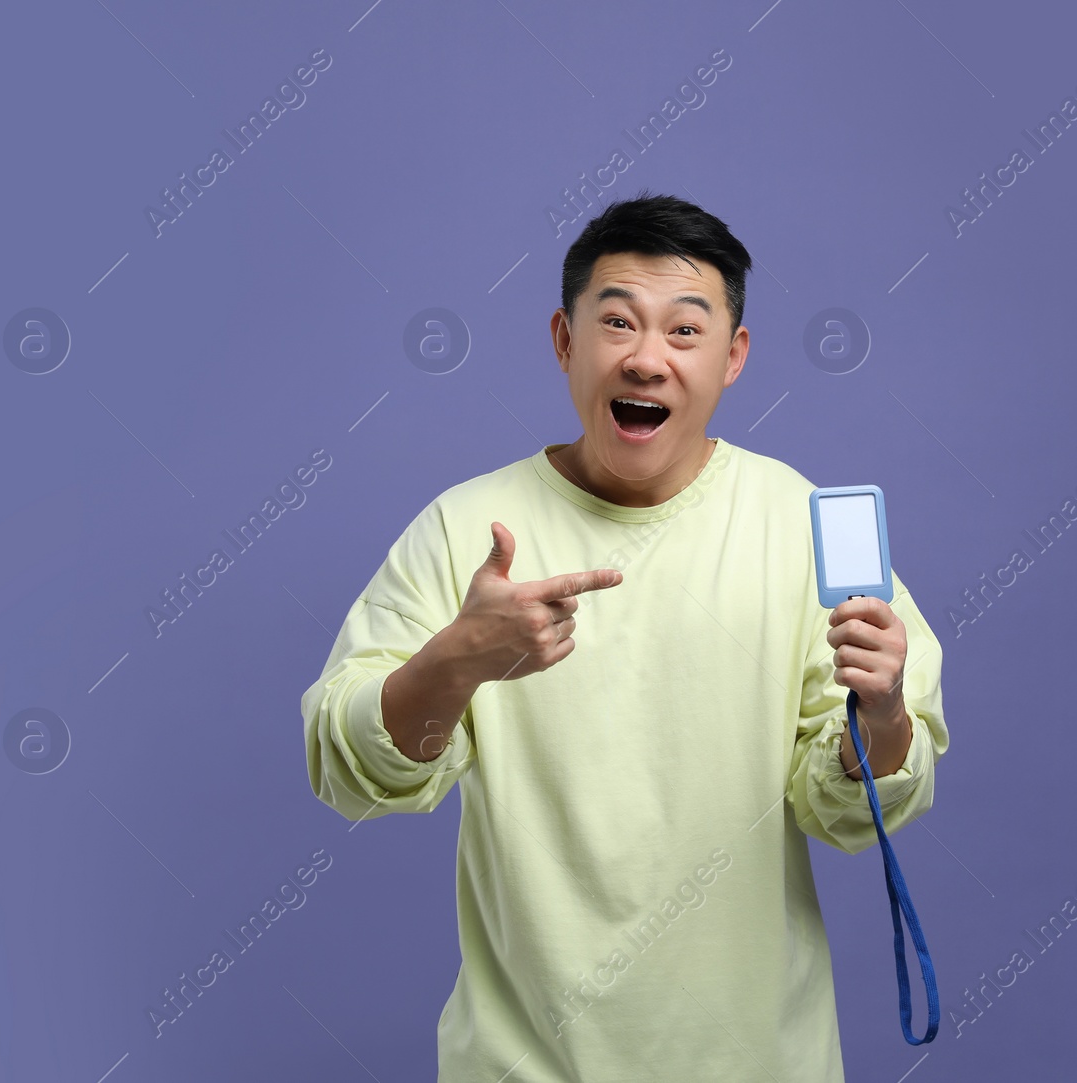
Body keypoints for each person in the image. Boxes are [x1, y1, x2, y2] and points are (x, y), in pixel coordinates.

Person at [301, 191, 948, 1081]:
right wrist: (457, 660)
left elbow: (842, 814)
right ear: (566, 342)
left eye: (686, 330)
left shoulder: (798, 522)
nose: (647, 359)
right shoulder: (467, 529)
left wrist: (879, 717)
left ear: (734, 357)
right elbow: (352, 773)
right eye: (616, 323)